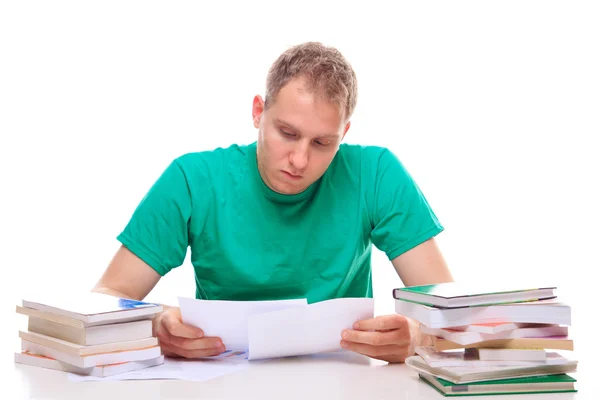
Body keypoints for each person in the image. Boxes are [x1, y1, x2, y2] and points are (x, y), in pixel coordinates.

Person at [93, 41, 454, 364]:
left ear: (343, 134)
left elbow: (450, 312)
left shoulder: (375, 173)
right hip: (225, 378)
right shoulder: (192, 179)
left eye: (322, 143)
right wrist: (155, 322)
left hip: (341, 381)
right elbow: (107, 297)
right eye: (288, 133)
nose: (299, 160)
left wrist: (421, 337)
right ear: (257, 112)